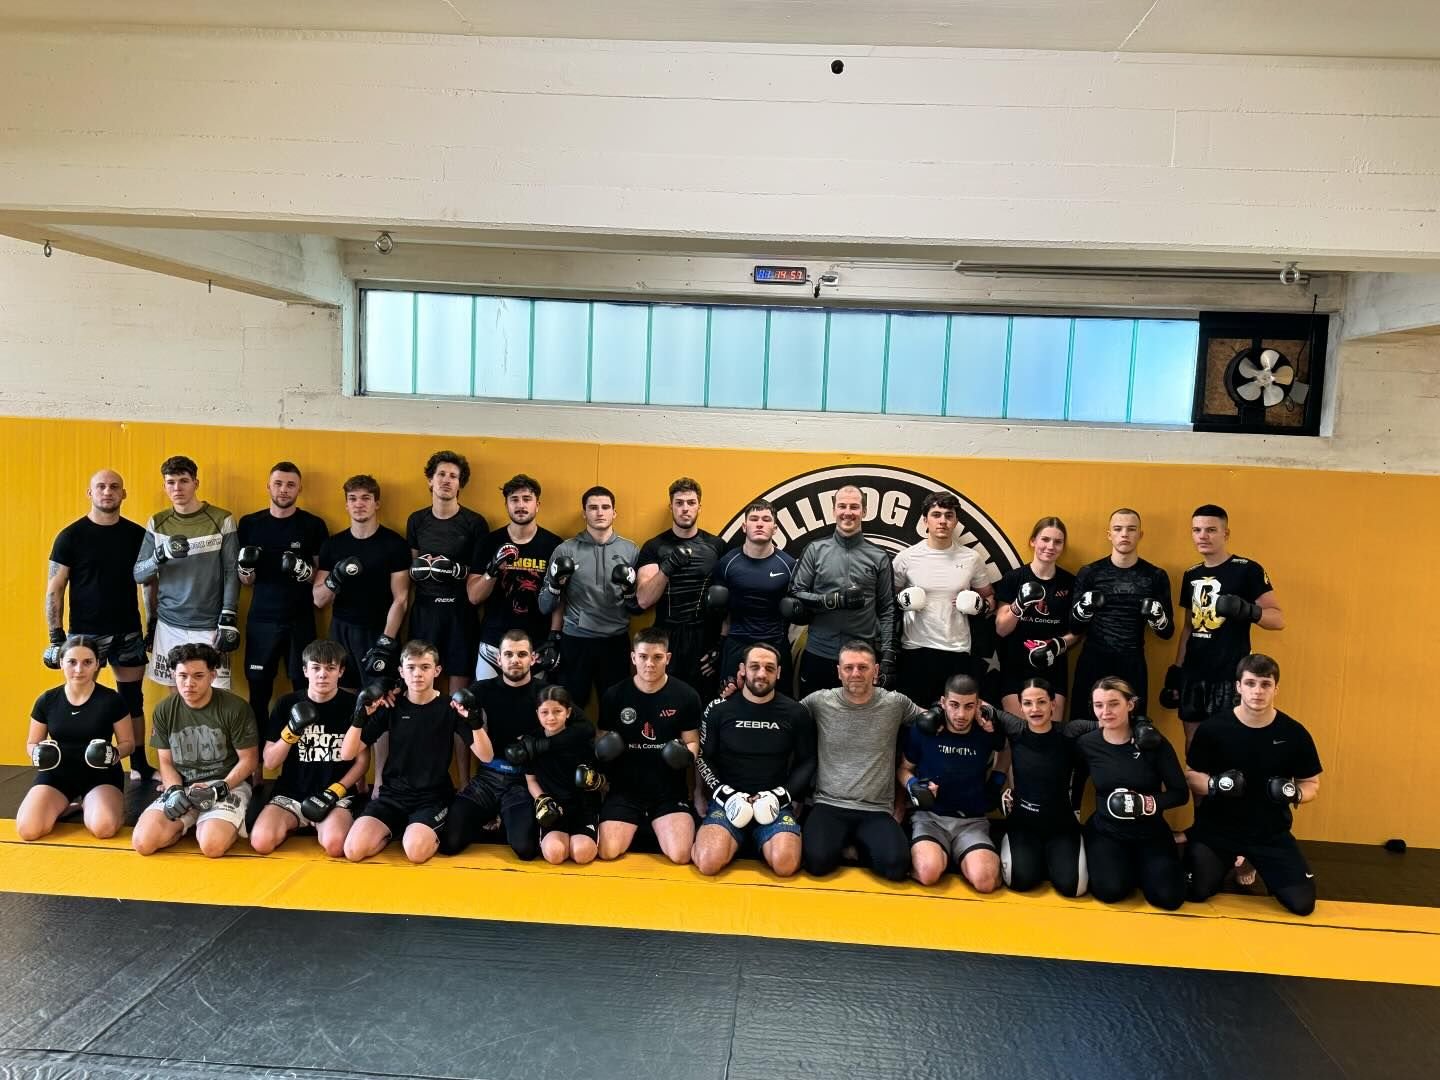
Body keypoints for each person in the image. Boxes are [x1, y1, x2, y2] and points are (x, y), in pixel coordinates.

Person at [1184, 654, 1321, 916]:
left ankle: (1251, 861)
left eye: (1265, 684)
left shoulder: (1294, 733)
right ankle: (1230, 860)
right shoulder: (1214, 729)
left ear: (1276, 688)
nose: (1257, 691)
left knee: (1302, 904)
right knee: (1195, 890)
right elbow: (1192, 776)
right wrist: (1214, 784)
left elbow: (1311, 783)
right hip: (1218, 831)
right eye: (1250, 683)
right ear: (1238, 686)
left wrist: (1294, 793)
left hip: (1270, 833)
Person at [45, 469, 150, 784]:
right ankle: (75, 763)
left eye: (114, 487)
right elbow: (55, 588)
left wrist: (153, 623)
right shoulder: (70, 536)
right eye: (101, 487)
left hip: (128, 630)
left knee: (132, 699)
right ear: (90, 493)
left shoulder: (136, 535)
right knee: (80, 698)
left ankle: (140, 764)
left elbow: (149, 583)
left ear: (123, 493)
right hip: (85, 634)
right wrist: (56, 637)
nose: (107, 491)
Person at [801, 640, 928, 882]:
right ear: (839, 672)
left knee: (896, 867)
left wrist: (980, 713)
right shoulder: (820, 701)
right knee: (816, 862)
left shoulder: (895, 703)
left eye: (863, 667)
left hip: (875, 809)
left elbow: (933, 719)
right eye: (848, 668)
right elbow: (783, 716)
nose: (856, 673)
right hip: (829, 804)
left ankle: (855, 845)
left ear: (876, 671)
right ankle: (846, 844)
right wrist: (736, 695)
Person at [1163, 505, 1285, 748]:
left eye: (1211, 530)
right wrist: (1177, 672)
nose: (1203, 536)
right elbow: (1189, 627)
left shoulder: (1247, 569)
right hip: (1194, 672)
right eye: (1197, 530)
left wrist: (1246, 610)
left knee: (1230, 744)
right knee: (1194, 744)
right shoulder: (1191, 574)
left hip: (1230, 673)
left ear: (1225, 533)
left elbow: (1278, 619)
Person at [692, 642, 815, 877]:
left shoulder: (795, 712)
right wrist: (723, 794)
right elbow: (703, 756)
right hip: (727, 801)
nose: (761, 674)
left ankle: (755, 841)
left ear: (779, 672)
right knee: (708, 862)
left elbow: (808, 760)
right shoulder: (719, 709)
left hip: (774, 802)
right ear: (742, 669)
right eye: (754, 666)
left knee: (785, 865)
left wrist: (784, 795)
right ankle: (728, 840)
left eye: (769, 668)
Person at [132, 643, 258, 858]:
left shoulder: (235, 707)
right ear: (173, 675)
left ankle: (208, 825)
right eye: (182, 676)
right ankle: (189, 822)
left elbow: (249, 760)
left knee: (212, 846)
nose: (189, 683)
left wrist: (219, 789)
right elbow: (166, 762)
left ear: (212, 675)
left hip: (227, 783)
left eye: (198, 676)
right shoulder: (164, 710)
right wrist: (174, 790)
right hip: (184, 785)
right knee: (143, 843)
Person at [342, 640, 461, 865]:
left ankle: (416, 832)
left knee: (416, 853)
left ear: (437, 671)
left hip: (431, 798)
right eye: (411, 667)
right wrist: (360, 716)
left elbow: (485, 755)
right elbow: (348, 754)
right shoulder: (391, 705)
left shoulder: (449, 707)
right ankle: (395, 828)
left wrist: (474, 721)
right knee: (353, 850)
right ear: (401, 671)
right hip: (393, 795)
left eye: (424, 667)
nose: (417, 674)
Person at [1073, 677, 1188, 909]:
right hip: (1107, 830)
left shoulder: (1154, 743)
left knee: (1168, 899)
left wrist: (1147, 803)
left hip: (1150, 832)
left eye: (1114, 703)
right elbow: (1077, 783)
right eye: (1099, 705)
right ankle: (1127, 867)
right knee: (1111, 891)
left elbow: (1180, 793)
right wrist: (1073, 815)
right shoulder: (1087, 744)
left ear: (1130, 704)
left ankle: (1145, 868)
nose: (1106, 711)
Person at [249, 640, 370, 858]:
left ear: (341, 671)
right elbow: (270, 762)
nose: (322, 674)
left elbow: (362, 762)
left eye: (330, 668)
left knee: (335, 845)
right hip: (291, 793)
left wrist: (335, 791)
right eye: (316, 668)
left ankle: (322, 823)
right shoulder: (286, 704)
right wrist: (291, 732)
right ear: (305, 671)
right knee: (261, 842)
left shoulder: (353, 705)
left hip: (334, 794)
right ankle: (298, 822)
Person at [595, 628, 702, 863]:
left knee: (681, 855)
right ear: (633, 658)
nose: (650, 664)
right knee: (607, 851)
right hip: (625, 791)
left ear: (668, 658)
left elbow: (692, 741)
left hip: (668, 791)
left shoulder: (686, 696)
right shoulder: (614, 695)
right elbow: (600, 740)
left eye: (657, 657)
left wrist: (686, 756)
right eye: (643, 657)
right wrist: (603, 749)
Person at [132, 456, 239, 690]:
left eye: (183, 481)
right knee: (177, 692)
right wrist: (160, 555)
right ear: (164, 486)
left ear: (195, 483)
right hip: (169, 623)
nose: (177, 488)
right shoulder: (158, 522)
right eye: (171, 482)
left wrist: (229, 616)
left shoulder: (221, 519)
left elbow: (232, 571)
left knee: (216, 695)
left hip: (210, 624)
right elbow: (139, 574)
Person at [236, 461, 328, 727]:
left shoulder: (313, 525)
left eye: (290, 485)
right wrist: (245, 567)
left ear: (299, 489)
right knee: (258, 693)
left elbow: (320, 577)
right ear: (268, 486)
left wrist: (302, 570)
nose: (284, 490)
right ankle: (258, 755)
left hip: (300, 619)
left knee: (304, 690)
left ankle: (299, 752)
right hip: (262, 620)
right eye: (278, 484)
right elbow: (246, 580)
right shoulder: (251, 524)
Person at [440, 629, 545, 859]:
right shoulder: (481, 690)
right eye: (508, 654)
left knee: (525, 849)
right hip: (488, 777)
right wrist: (394, 690)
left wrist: (537, 744)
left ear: (532, 658)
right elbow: (447, 710)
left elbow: (581, 728)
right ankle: (489, 813)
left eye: (521, 654)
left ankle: (505, 817)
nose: (515, 660)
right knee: (449, 842)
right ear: (498, 659)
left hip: (523, 781)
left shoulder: (545, 693)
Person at [18, 636, 132, 841]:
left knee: (103, 828)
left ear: (97, 664)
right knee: (28, 830)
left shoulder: (112, 700)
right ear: (61, 663)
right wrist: (36, 752)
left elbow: (128, 744)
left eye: (87, 662)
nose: (79, 669)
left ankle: (101, 805)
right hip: (57, 774)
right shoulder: (47, 700)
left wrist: (114, 753)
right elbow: (31, 743)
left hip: (99, 775)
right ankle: (66, 806)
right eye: (72, 662)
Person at [536, 485, 640, 708]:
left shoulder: (630, 550)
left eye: (605, 507)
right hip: (576, 640)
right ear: (584, 513)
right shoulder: (566, 550)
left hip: (615, 640)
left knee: (615, 709)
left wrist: (630, 590)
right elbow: (544, 606)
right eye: (593, 508)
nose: (600, 512)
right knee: (570, 708)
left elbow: (639, 605)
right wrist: (554, 584)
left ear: (614, 512)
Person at [899, 674, 1004, 891]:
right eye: (954, 705)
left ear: (978, 705)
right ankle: (938, 856)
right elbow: (903, 769)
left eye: (969, 706)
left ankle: (963, 857)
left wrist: (997, 779)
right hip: (931, 819)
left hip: (971, 822)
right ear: (943, 702)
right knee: (928, 872)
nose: (961, 714)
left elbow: (1006, 748)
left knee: (984, 881)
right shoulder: (926, 729)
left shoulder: (986, 730)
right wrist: (914, 786)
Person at [891, 491, 997, 705]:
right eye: (936, 515)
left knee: (955, 715)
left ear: (955, 521)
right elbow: (887, 601)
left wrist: (981, 606)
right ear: (925, 520)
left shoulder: (971, 558)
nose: (942, 521)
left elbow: (990, 597)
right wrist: (901, 601)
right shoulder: (906, 558)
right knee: (916, 714)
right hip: (915, 648)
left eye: (949, 516)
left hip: (957, 649)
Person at [789, 485, 897, 695]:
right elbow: (795, 593)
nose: (848, 512)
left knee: (860, 714)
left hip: (861, 658)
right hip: (820, 651)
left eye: (854, 507)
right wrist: (834, 600)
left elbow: (887, 609)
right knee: (813, 712)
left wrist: (887, 655)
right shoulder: (815, 550)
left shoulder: (879, 556)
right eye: (842, 506)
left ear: (864, 511)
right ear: (834, 510)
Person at [988, 678, 1090, 897]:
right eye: (1028, 703)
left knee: (1073, 887)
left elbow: (1107, 723)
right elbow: (982, 707)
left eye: (1041, 702)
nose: (1035, 709)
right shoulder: (1015, 729)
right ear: (1021, 706)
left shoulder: (1070, 732)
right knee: (1020, 881)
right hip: (1024, 824)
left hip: (1061, 825)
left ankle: (1058, 854)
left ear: (1053, 704)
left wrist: (1140, 725)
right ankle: (1024, 851)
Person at [1068, 508, 1173, 721]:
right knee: (1084, 727)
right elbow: (1074, 626)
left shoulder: (1155, 576)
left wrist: (1158, 617)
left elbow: (1167, 633)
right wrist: (1084, 608)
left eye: (1131, 529)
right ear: (1109, 534)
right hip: (1093, 660)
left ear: (1140, 534)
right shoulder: (1090, 573)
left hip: (1132, 662)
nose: (1124, 534)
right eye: (1118, 529)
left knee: (1133, 727)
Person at [313, 474, 412, 689]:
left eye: (366, 498)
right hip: (341, 629)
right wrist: (335, 577)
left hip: (378, 629)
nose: (359, 504)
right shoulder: (332, 545)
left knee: (380, 695)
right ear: (346, 505)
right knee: (342, 692)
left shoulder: (395, 544)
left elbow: (401, 599)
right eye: (353, 498)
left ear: (377, 503)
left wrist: (386, 642)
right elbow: (319, 600)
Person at [406, 450, 488, 699]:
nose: (446, 480)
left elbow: (480, 575)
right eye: (441, 474)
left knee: (458, 696)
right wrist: (422, 568)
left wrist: (453, 570)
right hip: (425, 610)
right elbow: (412, 570)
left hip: (460, 612)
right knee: (420, 686)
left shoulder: (475, 523)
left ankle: (455, 727)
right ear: (430, 480)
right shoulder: (417, 520)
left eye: (453, 476)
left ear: (460, 484)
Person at [634, 478, 726, 696]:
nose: (685, 508)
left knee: (702, 700)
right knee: (665, 700)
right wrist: (667, 567)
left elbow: (727, 599)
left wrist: (721, 643)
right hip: (666, 635)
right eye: (679, 503)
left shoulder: (716, 546)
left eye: (691, 503)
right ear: (671, 507)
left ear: (699, 507)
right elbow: (644, 600)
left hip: (704, 636)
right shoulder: (654, 546)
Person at [466, 474, 561, 682]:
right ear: (506, 505)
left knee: (533, 701)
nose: (520, 505)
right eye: (514, 499)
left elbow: (560, 598)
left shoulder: (554, 545)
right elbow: (473, 596)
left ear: (537, 505)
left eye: (527, 499)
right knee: (487, 700)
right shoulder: (489, 542)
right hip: (494, 641)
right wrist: (492, 570)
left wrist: (554, 637)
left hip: (536, 643)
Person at [708, 499, 798, 695]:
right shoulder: (727, 563)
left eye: (766, 519)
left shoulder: (789, 565)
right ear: (744, 526)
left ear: (775, 528)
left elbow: (796, 614)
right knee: (730, 700)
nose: (759, 524)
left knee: (780, 701)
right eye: (754, 519)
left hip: (775, 643)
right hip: (737, 643)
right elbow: (723, 613)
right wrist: (720, 645)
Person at [994, 516, 1077, 719]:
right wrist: (1019, 605)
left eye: (1057, 542)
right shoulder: (1014, 578)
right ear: (1033, 541)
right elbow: (1001, 629)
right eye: (1045, 539)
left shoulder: (1070, 583)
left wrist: (1056, 645)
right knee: (1017, 732)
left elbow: (1077, 631)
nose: (1051, 546)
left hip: (1053, 667)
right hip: (1016, 666)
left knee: (1051, 733)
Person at [515, 686, 600, 866]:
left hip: (582, 807)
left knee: (582, 854)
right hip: (553, 809)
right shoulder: (531, 743)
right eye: (544, 712)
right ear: (537, 713)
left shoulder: (581, 739)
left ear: (568, 712)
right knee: (555, 853)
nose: (551, 717)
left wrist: (595, 780)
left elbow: (595, 777)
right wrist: (542, 799)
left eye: (557, 711)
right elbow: (531, 780)